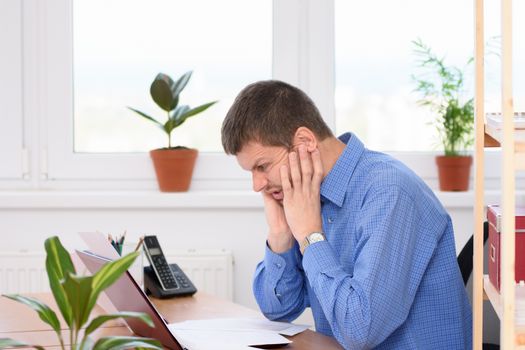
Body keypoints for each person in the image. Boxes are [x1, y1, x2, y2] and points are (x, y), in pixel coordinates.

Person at [221, 80, 472, 349]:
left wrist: (309, 236)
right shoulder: (307, 197)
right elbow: (279, 309)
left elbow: (360, 330)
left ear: (305, 142)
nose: (257, 185)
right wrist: (281, 235)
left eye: (262, 166)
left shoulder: (388, 192)